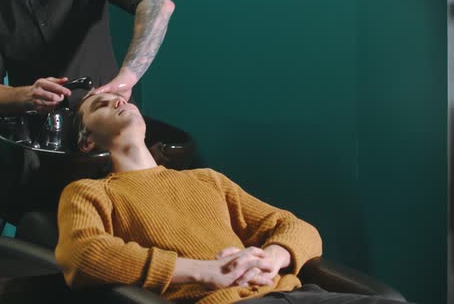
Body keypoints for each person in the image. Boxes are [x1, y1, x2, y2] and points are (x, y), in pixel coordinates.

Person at [54, 92, 410, 304]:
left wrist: (272, 258)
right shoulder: (89, 192)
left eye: (122, 98)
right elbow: (84, 255)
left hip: (292, 293)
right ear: (87, 141)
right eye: (101, 105)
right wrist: (206, 271)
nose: (119, 99)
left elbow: (295, 227)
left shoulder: (206, 180)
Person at [0, 0, 175, 114]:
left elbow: (158, 3)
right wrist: (28, 95)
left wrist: (126, 79)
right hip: (37, 142)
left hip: (107, 120)